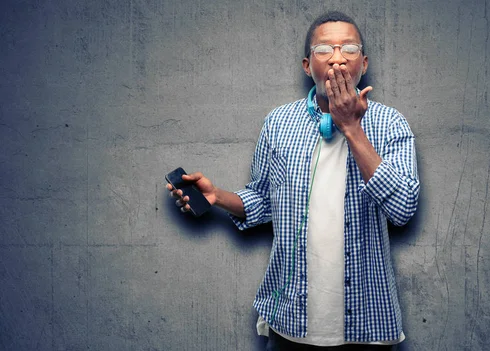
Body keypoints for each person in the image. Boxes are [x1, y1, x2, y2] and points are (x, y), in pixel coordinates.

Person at [167, 11, 419, 350]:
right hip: (289, 323)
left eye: (349, 48)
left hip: (366, 325)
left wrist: (351, 128)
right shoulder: (278, 123)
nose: (337, 58)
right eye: (324, 49)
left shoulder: (390, 124)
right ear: (306, 65)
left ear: (364, 63)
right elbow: (262, 200)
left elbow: (403, 207)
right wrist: (217, 196)